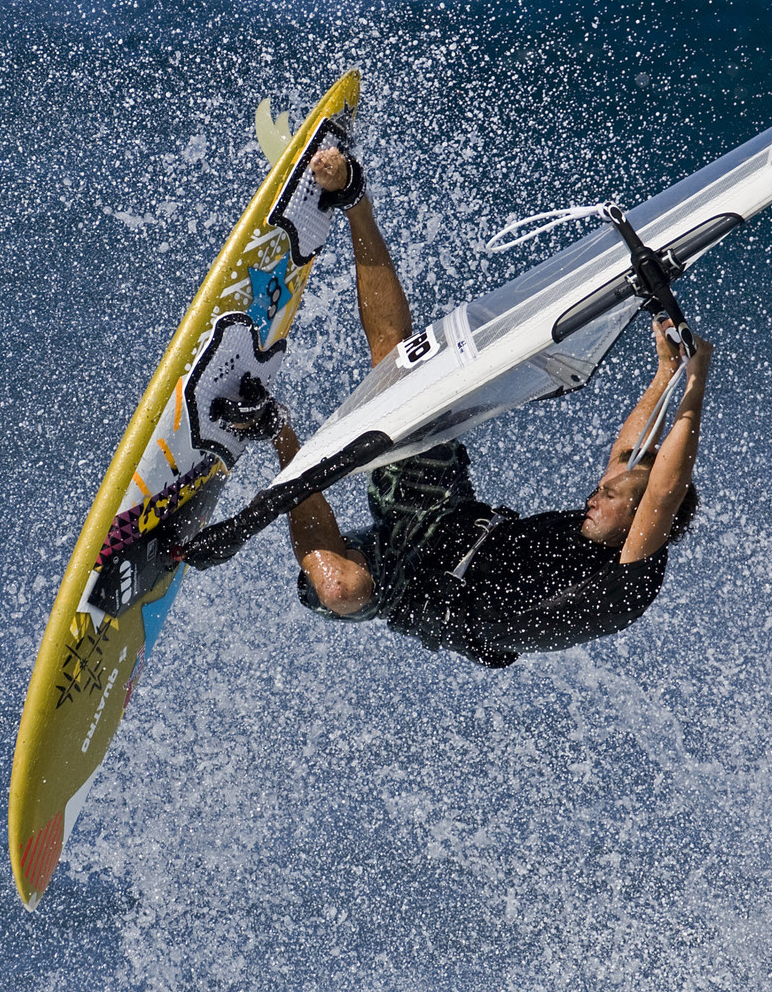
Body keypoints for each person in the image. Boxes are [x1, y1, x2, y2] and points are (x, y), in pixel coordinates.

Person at [182, 142, 710, 668]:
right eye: (603, 488)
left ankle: (277, 431)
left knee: (339, 588)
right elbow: (631, 458)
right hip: (443, 516)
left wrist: (695, 383)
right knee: (400, 381)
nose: (595, 495)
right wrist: (666, 373)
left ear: (646, 517)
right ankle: (354, 198)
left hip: (421, 593)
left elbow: (664, 485)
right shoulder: (611, 511)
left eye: (613, 496)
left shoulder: (633, 572)